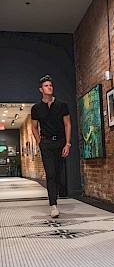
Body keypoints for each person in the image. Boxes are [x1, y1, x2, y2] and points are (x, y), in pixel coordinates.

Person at [31, 75, 71, 218]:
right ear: (41, 89)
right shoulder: (36, 108)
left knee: (58, 174)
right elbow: (34, 127)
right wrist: (39, 142)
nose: (50, 88)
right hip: (46, 143)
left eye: (50, 85)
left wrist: (67, 143)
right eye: (46, 86)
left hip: (60, 142)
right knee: (50, 174)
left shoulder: (62, 105)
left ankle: (55, 199)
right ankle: (53, 205)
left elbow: (67, 124)